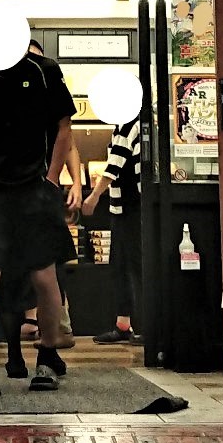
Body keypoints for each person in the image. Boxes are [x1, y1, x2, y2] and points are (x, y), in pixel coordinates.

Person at [0, 40, 78, 397]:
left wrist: (52, 180)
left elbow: (64, 129)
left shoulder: (45, 71)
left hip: (34, 189)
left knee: (43, 276)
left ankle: (47, 356)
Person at [90, 102, 145, 345]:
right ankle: (124, 324)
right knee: (122, 266)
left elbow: (115, 165)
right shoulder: (128, 124)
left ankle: (143, 326)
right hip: (124, 208)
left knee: (134, 266)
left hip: (133, 207)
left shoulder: (129, 124)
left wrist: (94, 196)